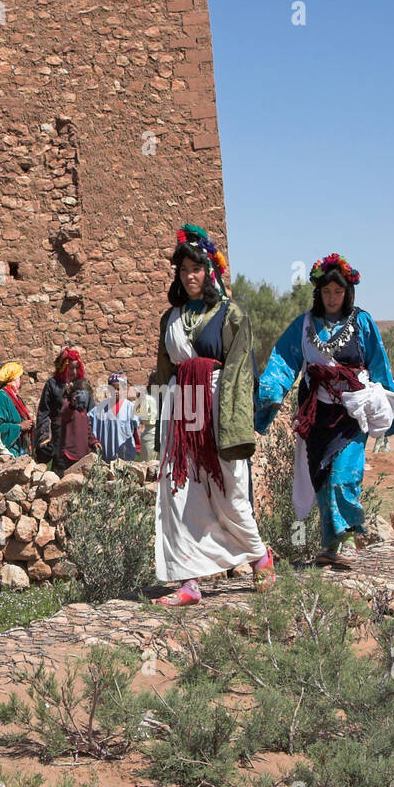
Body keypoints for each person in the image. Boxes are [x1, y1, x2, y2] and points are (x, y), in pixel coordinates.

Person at [256, 253, 394, 565]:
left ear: (348, 293)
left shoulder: (362, 323)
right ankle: (330, 545)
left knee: (343, 474)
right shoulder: (305, 324)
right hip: (318, 414)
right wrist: (271, 390)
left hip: (353, 412)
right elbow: (284, 359)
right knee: (322, 476)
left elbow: (380, 364)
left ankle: (349, 538)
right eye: (326, 292)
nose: (332, 298)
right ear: (318, 293)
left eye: (338, 292)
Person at [153, 224, 273, 605]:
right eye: (184, 269)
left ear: (210, 271)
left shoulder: (230, 313)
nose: (190, 275)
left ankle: (259, 557)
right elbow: (164, 373)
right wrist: (162, 426)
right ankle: (189, 581)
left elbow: (241, 370)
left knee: (230, 488)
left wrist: (235, 425)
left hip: (219, 406)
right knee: (181, 492)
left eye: (197, 268)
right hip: (182, 410)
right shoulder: (169, 319)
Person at [34, 348, 84, 464]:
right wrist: (44, 438)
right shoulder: (52, 384)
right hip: (60, 435)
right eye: (71, 368)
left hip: (79, 434)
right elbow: (43, 413)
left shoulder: (83, 384)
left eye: (77, 368)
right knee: (60, 470)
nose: (75, 372)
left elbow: (91, 412)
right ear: (63, 367)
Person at [90, 373, 142, 463]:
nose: (116, 392)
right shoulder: (99, 409)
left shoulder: (130, 408)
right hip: (105, 458)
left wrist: (138, 449)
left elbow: (136, 433)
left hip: (125, 458)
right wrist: (94, 441)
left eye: (119, 389)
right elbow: (87, 425)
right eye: (113, 388)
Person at [54, 375, 101, 474]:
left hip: (83, 453)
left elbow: (88, 429)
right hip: (69, 454)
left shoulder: (83, 411)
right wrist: (73, 404)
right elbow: (65, 413)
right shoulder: (67, 407)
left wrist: (94, 441)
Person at [0, 362, 34, 455]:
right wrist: (20, 427)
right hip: (7, 453)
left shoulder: (15, 397)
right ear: (14, 379)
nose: (22, 380)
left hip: (17, 450)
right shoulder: (0, 397)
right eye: (19, 377)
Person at [132, 368, 159, 463]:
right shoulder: (147, 398)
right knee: (148, 465)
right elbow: (142, 415)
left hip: (163, 434)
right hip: (150, 434)